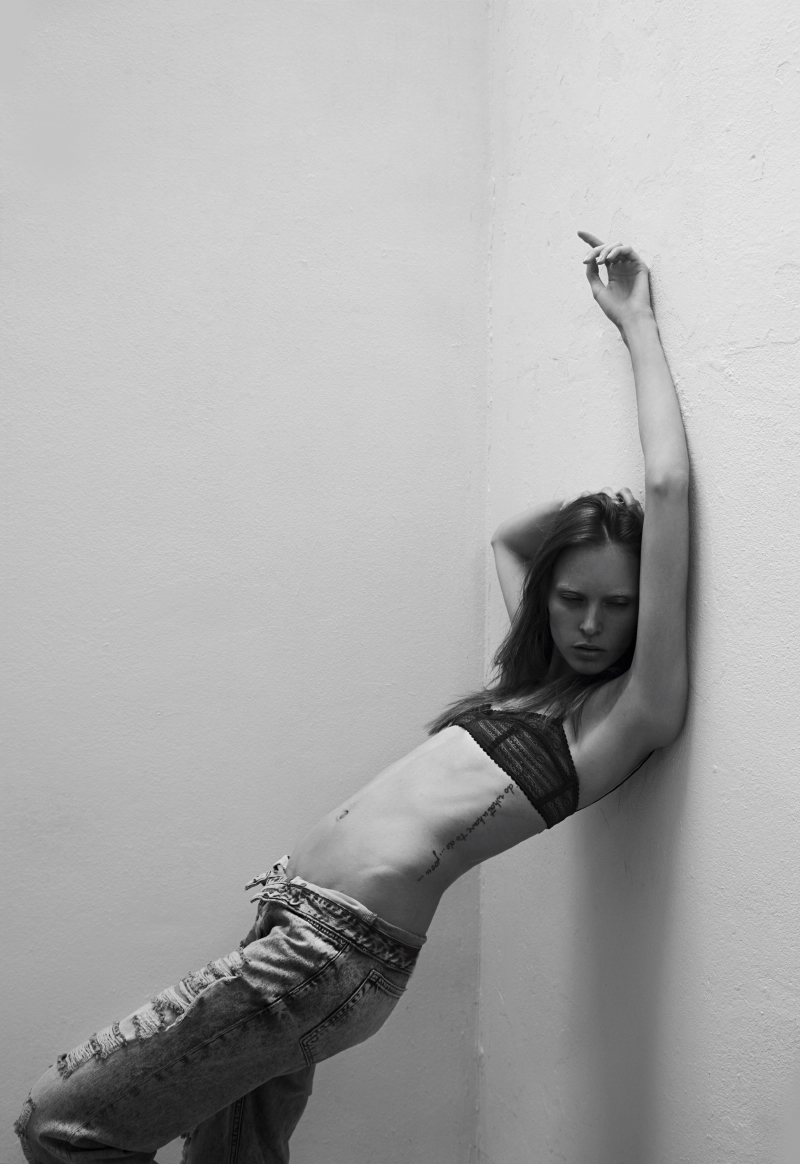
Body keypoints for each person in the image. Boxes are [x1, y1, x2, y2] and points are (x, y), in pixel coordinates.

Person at [15, 233, 689, 1164]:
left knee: (56, 1126)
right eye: (573, 598)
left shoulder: (625, 717)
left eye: (619, 606)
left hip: (329, 961)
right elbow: (510, 540)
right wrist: (597, 520)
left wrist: (635, 324)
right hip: (286, 925)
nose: (590, 622)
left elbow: (667, 485)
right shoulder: (533, 687)